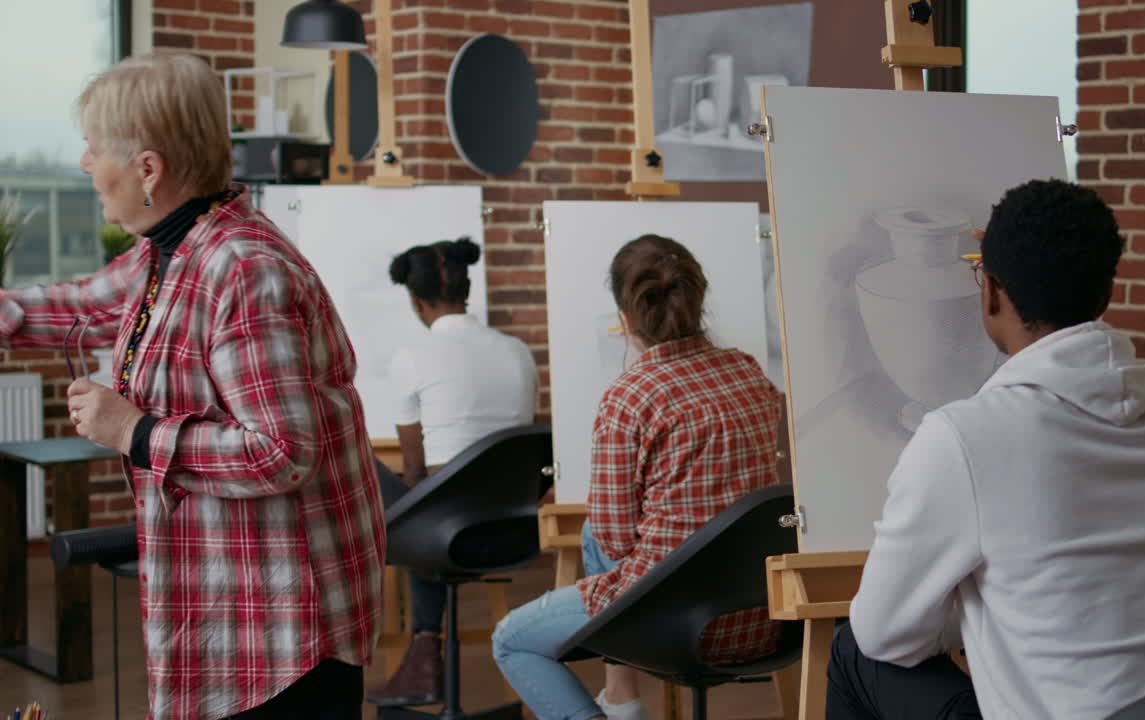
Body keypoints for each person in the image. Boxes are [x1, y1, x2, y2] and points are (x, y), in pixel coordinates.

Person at [0, 52, 385, 720]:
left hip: (285, 624)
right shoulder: (170, 250)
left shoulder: (241, 269)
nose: (86, 165)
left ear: (148, 169)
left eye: (94, 149)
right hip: (233, 603)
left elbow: (281, 452)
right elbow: (84, 303)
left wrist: (134, 431)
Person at [826, 179, 1145, 720]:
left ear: (992, 292)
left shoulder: (962, 438)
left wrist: (983, 603)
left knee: (852, 651)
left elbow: (885, 633)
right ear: (1107, 292)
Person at [492, 234, 785, 720]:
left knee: (511, 642)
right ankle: (621, 696)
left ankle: (622, 699)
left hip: (671, 622)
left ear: (625, 318)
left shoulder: (631, 396)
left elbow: (613, 532)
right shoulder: (748, 372)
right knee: (597, 535)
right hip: (758, 618)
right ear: (698, 300)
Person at [366, 237, 538, 706]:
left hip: (445, 535)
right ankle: (423, 651)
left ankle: (422, 652)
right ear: (467, 290)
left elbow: (416, 469)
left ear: (416, 301)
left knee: (364, 462)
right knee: (435, 505)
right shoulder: (518, 352)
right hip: (513, 532)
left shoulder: (412, 356)